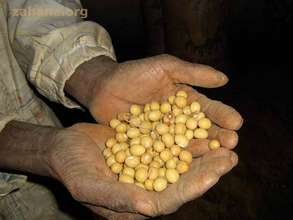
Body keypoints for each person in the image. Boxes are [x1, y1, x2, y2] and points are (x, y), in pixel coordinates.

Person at [0, 0, 243, 219]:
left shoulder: (155, 131)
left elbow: (34, 8)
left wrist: (94, 78)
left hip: (31, 122)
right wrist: (41, 149)